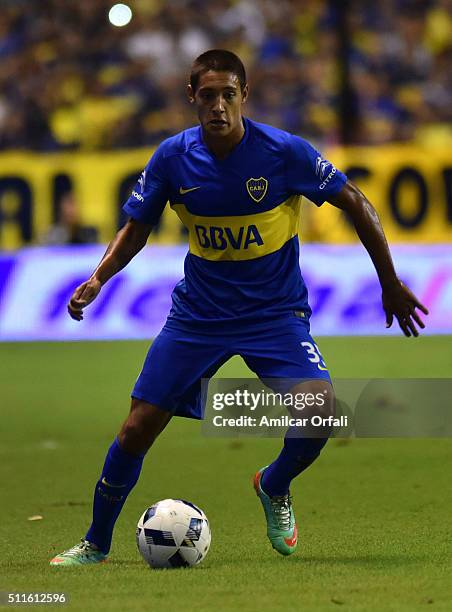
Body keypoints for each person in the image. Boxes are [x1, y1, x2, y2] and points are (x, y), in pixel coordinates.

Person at [50, 50, 428, 566]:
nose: (219, 106)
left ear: (244, 96)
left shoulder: (284, 152)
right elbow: (137, 226)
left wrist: (390, 281)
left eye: (229, 94)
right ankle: (95, 543)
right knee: (137, 427)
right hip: (199, 316)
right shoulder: (172, 158)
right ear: (193, 98)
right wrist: (98, 277)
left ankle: (273, 484)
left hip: (275, 315)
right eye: (208, 96)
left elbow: (356, 202)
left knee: (319, 410)